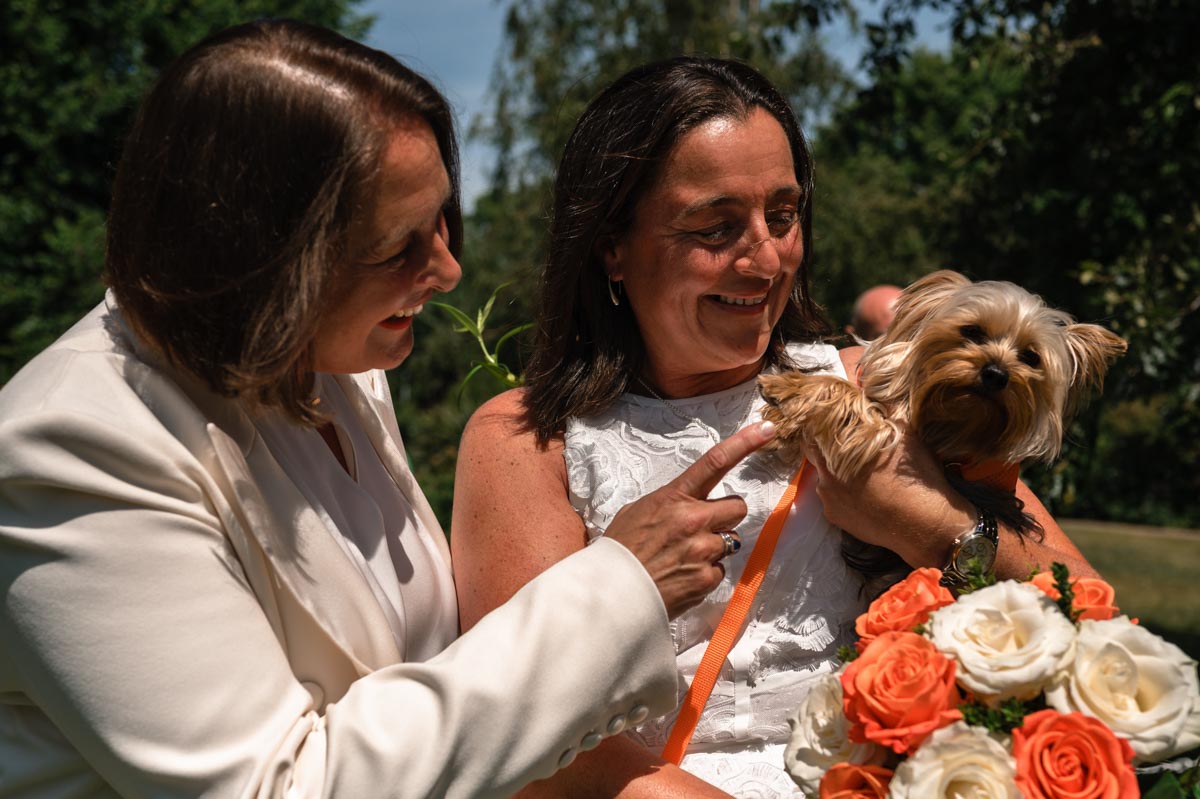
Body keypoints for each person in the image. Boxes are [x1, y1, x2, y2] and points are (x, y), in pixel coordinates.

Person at [0, 23, 779, 797]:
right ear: (260, 255)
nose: (445, 268)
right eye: (395, 246)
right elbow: (280, 787)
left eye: (442, 219)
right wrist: (619, 587)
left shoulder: (331, 359)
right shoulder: (70, 447)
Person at [450, 56, 1098, 798]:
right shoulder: (531, 439)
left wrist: (922, 518)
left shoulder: (873, 389)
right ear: (612, 246)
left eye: (784, 216)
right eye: (718, 226)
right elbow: (532, 734)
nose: (765, 258)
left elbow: (1094, 620)